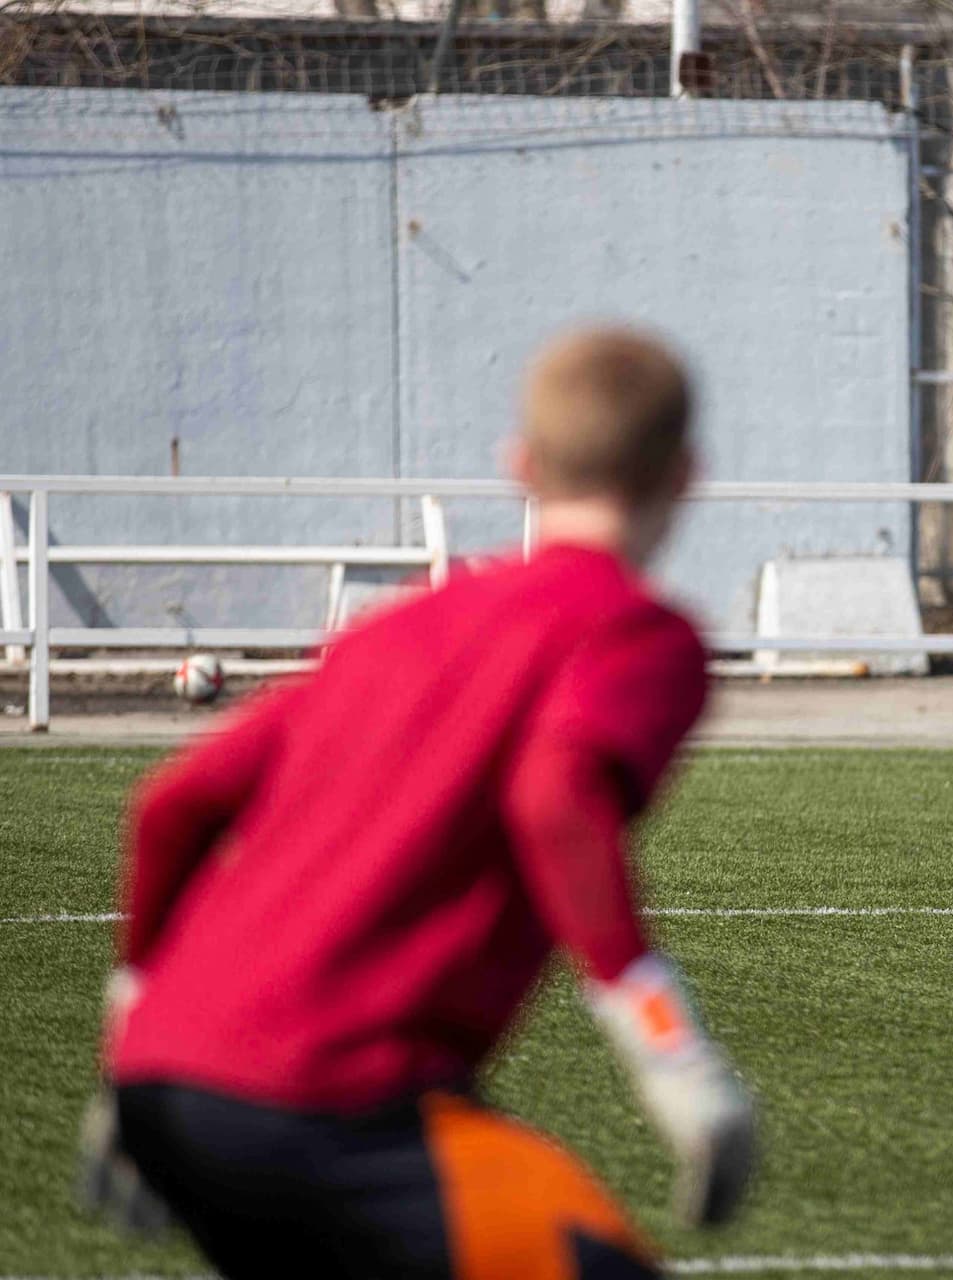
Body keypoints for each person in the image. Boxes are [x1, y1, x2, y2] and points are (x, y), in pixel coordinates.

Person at [76, 326, 755, 1278]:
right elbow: (556, 799)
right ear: (685, 472)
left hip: (165, 1079)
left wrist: (138, 1046)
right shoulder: (640, 633)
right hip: (331, 1095)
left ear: (520, 465)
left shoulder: (399, 623)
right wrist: (672, 1056)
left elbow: (173, 804)